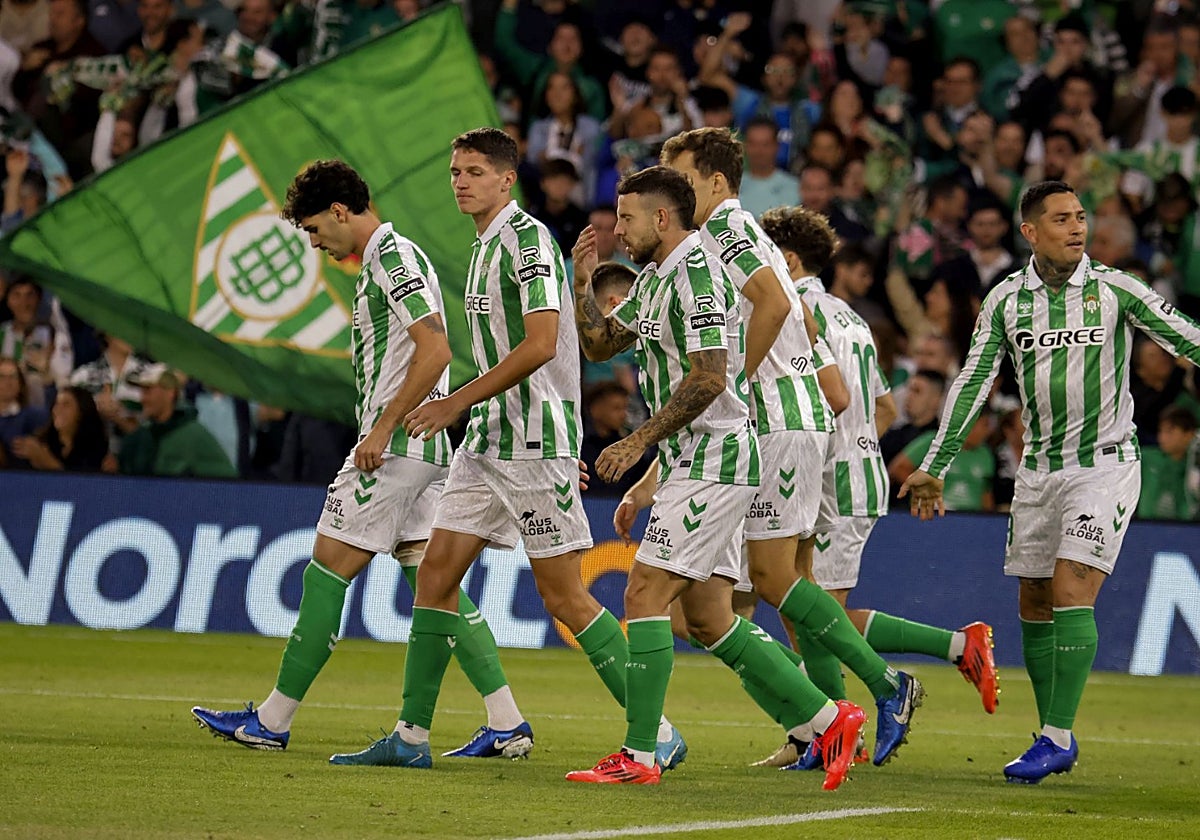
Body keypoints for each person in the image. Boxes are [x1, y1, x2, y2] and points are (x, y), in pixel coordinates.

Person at [328, 128, 682, 771]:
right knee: (434, 578)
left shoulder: (527, 243)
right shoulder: (482, 247)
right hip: (487, 443)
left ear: (505, 180)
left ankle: (654, 728)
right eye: (455, 171)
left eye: (473, 172)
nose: (460, 181)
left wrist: (459, 401)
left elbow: (545, 344)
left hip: (530, 444)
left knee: (565, 599)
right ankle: (410, 738)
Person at [191, 160, 532, 757]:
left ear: (340, 212)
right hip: (421, 450)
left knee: (326, 567)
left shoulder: (394, 257)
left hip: (395, 447)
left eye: (316, 231)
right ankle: (505, 721)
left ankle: (271, 721)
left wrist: (382, 427)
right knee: (436, 583)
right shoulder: (386, 260)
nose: (318, 244)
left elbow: (435, 350)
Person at [568, 165, 866, 790]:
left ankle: (641, 755)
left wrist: (639, 440)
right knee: (706, 617)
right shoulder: (654, 280)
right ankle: (826, 718)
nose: (617, 230)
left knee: (644, 593)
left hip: (717, 456)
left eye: (626, 218)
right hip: (690, 459)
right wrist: (580, 282)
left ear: (660, 217)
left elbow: (710, 375)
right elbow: (599, 346)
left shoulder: (700, 274)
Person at [900, 180, 1200, 784]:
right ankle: (1050, 732)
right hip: (1038, 471)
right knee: (1033, 598)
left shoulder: (1115, 288)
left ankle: (1057, 736)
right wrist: (935, 464)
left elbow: (1188, 338)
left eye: (1081, 217)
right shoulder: (1007, 301)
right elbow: (972, 383)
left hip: (1105, 464)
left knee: (1070, 586)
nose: (1077, 227)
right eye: (1062, 219)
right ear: (1030, 231)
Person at [658, 127, 924, 767]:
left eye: (684, 180)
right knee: (790, 582)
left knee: (773, 580)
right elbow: (810, 341)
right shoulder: (747, 237)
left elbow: (776, 306)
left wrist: (735, 383)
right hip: (797, 420)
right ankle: (826, 729)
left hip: (773, 421)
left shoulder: (725, 232)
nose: (675, 193)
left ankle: (887, 687)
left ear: (716, 182)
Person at [755, 204, 998, 769]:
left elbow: (827, 401)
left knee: (817, 615)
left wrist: (831, 449)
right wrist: (860, 444)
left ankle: (945, 656)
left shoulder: (787, 310)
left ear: (787, 259)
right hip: (849, 469)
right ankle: (829, 730)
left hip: (822, 476)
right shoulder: (854, 318)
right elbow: (884, 408)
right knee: (801, 611)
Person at [117, 365, 236, 477]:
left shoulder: (195, 436)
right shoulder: (139, 437)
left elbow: (228, 484)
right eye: (141, 391)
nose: (143, 398)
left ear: (170, 392)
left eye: (148, 390)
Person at [11, 384, 107, 471]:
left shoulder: (96, 446)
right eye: (56, 403)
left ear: (82, 412)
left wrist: (47, 461)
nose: (57, 409)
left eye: (66, 405)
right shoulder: (41, 442)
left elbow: (81, 486)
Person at [1138, 404, 1200, 520]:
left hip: (1188, 529)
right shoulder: (1146, 457)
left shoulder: (1194, 466)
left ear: (1189, 434)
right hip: (1145, 527)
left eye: (1169, 432)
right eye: (1161, 431)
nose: (1162, 437)